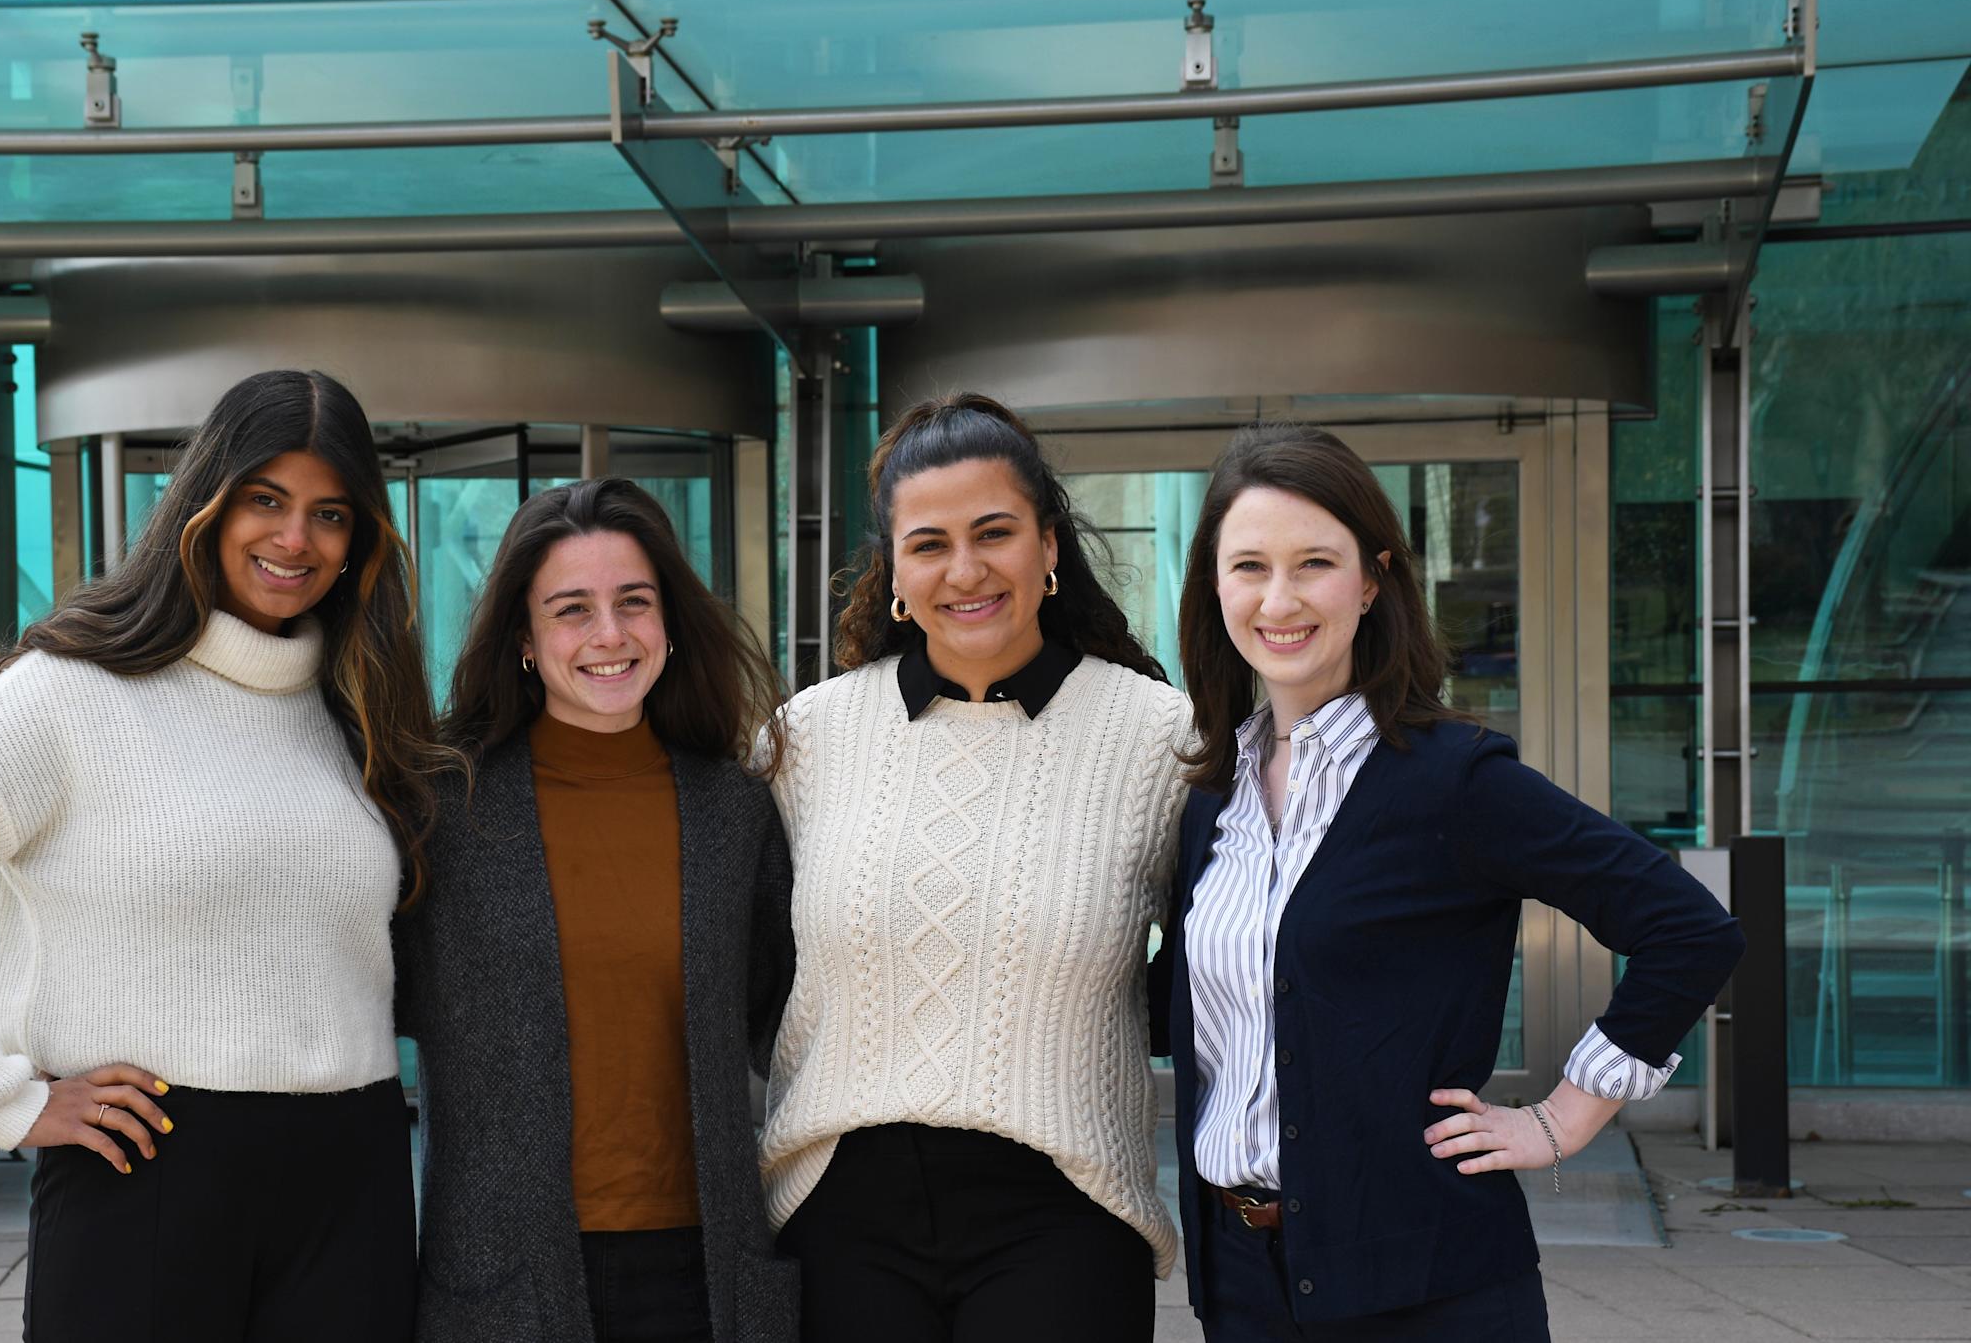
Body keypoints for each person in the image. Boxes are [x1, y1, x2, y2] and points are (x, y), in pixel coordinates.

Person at [0, 369, 449, 1340]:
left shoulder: (356, 714)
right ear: (204, 503)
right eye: (265, 500)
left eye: (330, 513)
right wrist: (6, 1099)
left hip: (351, 1174)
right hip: (147, 1164)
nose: (295, 540)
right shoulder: (67, 696)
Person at [1148, 423, 1745, 1341]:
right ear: (1214, 587)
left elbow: (1691, 929)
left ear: (1372, 578)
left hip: (1429, 1289)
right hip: (1242, 1283)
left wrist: (1561, 1120)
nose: (1279, 599)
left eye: (1314, 563)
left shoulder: (1453, 780)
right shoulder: (1208, 799)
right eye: (1249, 567)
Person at [761, 393, 1194, 1342]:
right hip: (839, 1209)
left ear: (1048, 547)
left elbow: (1235, 957)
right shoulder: (808, 739)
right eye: (929, 544)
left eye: (993, 532)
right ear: (895, 575)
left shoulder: (1158, 739)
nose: (966, 570)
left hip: (1066, 1211)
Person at [398, 477, 800, 1343]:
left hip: (708, 1274)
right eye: (572, 609)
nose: (610, 635)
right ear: (525, 641)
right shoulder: (443, 814)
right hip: (504, 1277)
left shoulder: (737, 812)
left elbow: (788, 1020)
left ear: (669, 624)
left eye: (633, 603)